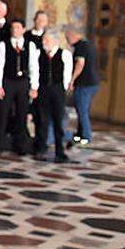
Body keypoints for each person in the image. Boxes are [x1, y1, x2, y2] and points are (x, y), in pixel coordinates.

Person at [0, 19, 39, 155]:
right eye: (13, 28)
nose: (15, 30)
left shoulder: (30, 46)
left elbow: (33, 67)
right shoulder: (4, 45)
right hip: (8, 81)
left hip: (23, 82)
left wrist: (34, 86)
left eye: (18, 28)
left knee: (22, 114)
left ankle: (20, 145)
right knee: (3, 113)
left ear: (24, 29)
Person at [35, 31, 74, 163]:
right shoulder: (39, 54)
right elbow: (35, 71)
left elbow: (67, 73)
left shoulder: (64, 54)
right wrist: (35, 87)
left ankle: (59, 151)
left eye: (47, 40)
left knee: (58, 121)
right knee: (42, 120)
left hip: (57, 90)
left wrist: (62, 89)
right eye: (43, 40)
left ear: (55, 41)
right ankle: (41, 149)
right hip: (43, 89)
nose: (44, 42)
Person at [66, 29, 99, 147]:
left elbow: (80, 63)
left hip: (85, 84)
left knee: (82, 110)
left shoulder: (81, 47)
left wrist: (72, 79)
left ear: (74, 35)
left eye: (67, 37)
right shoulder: (88, 45)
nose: (67, 40)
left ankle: (86, 137)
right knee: (82, 110)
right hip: (93, 83)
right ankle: (80, 135)